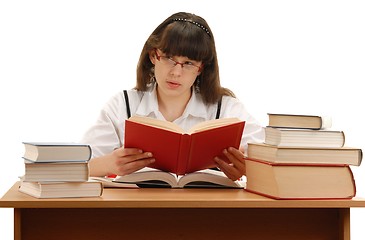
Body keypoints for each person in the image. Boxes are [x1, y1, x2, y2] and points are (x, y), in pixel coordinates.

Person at [81, 12, 264, 181]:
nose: (176, 72)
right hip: (135, 212)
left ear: (202, 68)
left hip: (207, 212)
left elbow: (274, 164)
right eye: (169, 58)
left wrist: (247, 170)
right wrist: (109, 164)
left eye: (189, 63)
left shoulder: (227, 109)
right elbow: (76, 167)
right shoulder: (122, 105)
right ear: (153, 56)